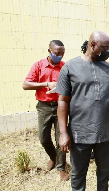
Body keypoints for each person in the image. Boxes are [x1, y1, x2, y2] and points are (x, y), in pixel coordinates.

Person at [56, 31, 109, 190]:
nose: (107, 52)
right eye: (104, 48)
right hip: (80, 133)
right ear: (92, 45)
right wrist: (63, 133)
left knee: (104, 173)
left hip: (106, 132)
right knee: (78, 175)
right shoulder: (70, 68)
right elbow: (63, 101)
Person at [22, 40, 69, 181]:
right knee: (43, 138)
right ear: (49, 51)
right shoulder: (38, 65)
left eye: (62, 54)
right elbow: (25, 85)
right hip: (44, 107)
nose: (59, 56)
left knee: (60, 137)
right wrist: (46, 84)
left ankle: (61, 168)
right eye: (57, 53)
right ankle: (53, 157)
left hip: (61, 106)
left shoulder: (65, 66)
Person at [81, 40, 109, 161]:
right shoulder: (81, 66)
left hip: (107, 102)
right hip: (91, 105)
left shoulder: (107, 66)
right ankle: (95, 149)